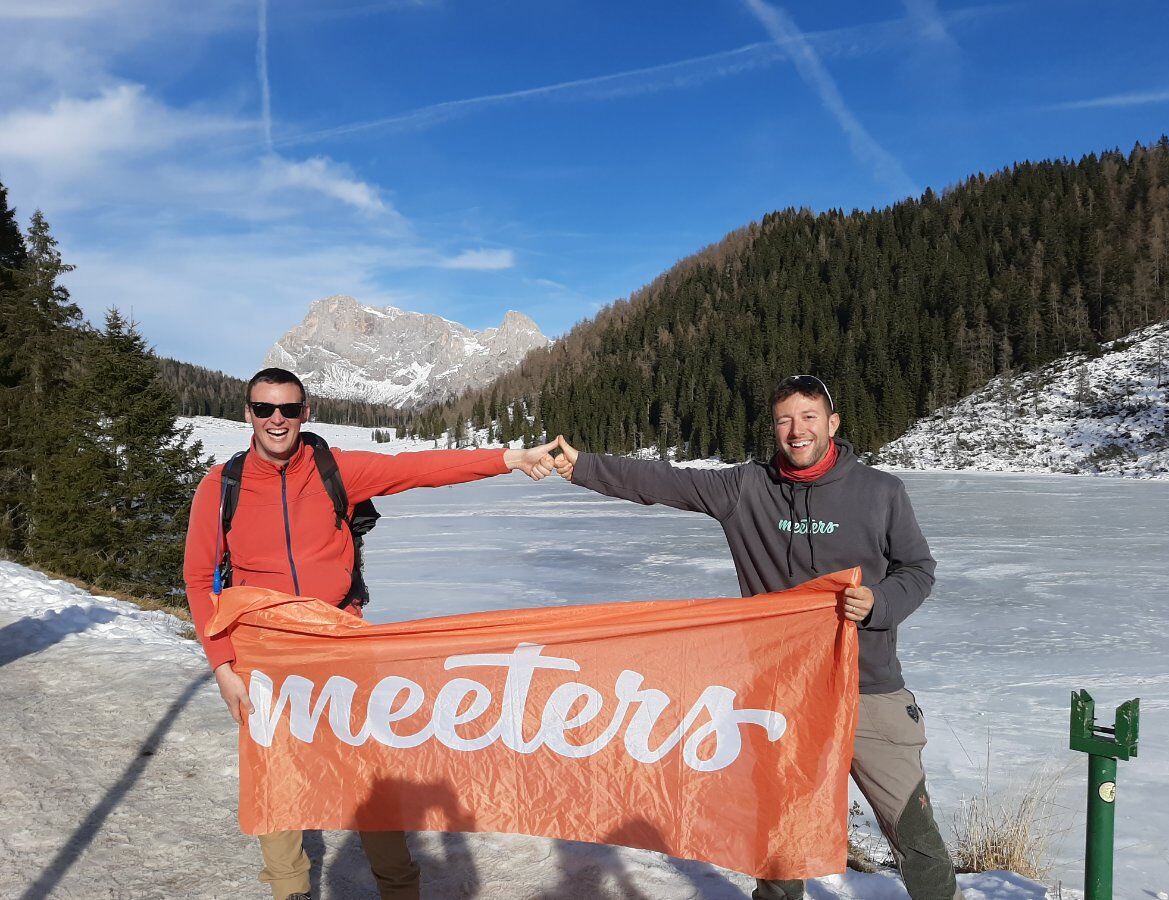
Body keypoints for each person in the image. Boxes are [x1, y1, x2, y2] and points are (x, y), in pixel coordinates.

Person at [553, 374, 963, 900]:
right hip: (784, 692)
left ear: (832, 424)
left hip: (869, 687)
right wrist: (583, 466)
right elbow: (664, 482)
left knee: (913, 833)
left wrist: (880, 604)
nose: (797, 431)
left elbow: (919, 569)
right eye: (785, 420)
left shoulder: (881, 492)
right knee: (782, 831)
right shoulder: (746, 489)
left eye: (809, 417)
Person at [183, 367, 559, 900]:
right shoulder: (222, 486)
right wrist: (222, 665)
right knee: (276, 771)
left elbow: (419, 468)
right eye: (264, 408)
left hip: (341, 638)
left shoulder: (336, 470)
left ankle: (398, 889)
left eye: (288, 409)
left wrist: (509, 458)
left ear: (304, 413)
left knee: (368, 768)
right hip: (263, 648)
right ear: (248, 413)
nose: (276, 420)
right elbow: (199, 578)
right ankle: (290, 890)